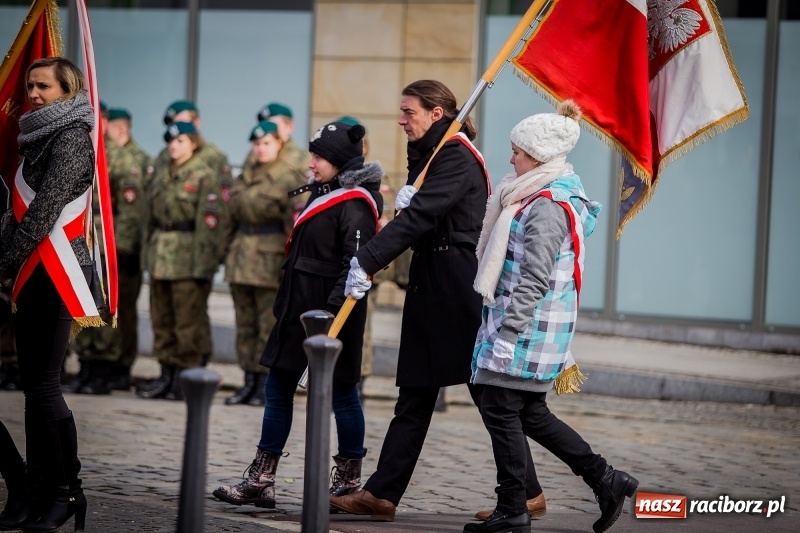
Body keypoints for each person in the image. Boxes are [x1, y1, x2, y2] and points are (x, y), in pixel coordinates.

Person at [466, 102, 638, 533]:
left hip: (527, 329)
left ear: (538, 157)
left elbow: (535, 276)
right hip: (532, 327)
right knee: (528, 413)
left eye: (517, 152)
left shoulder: (546, 205)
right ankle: (605, 479)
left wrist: (509, 333)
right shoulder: (536, 194)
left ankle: (513, 507)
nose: (511, 159)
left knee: (499, 408)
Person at [329, 79, 495, 521]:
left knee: (489, 396)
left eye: (409, 112)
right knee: (416, 394)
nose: (401, 120)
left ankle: (532, 488)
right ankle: (382, 494)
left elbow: (420, 217)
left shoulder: (455, 154)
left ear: (437, 113)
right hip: (432, 281)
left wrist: (367, 259)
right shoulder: (432, 152)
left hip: (454, 285)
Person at [213, 120, 383, 509]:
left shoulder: (355, 203)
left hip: (330, 317)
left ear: (339, 161)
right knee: (277, 389)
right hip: (296, 313)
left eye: (319, 157)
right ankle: (262, 479)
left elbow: (354, 265)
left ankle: (348, 481)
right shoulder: (323, 192)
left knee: (343, 395)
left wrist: (331, 315)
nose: (311, 163)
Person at [0, 56, 98, 532]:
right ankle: (41, 491)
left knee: (43, 387)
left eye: (44, 86)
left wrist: (4, 264)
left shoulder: (72, 137)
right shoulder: (36, 137)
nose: (34, 94)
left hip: (56, 270)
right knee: (33, 389)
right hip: (31, 271)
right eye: (30, 86)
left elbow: (43, 212)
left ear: (67, 90)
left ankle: (65, 493)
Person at [136, 121, 227, 400]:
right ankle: (166, 373)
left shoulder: (203, 175)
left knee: (187, 323)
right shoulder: (161, 172)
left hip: (188, 260)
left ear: (194, 144)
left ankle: (186, 377)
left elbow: (209, 226)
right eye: (171, 141)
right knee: (162, 320)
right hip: (161, 256)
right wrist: (146, 256)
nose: (173, 146)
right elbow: (149, 218)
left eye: (180, 141)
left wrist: (204, 267)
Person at [222, 121, 304, 406]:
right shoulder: (245, 174)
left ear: (279, 144)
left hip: (269, 263)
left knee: (267, 326)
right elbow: (230, 219)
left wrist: (290, 266)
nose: (260, 149)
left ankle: (264, 385)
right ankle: (248, 381)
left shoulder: (289, 178)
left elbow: (292, 228)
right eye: (256, 144)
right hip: (241, 259)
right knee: (244, 326)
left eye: (267, 143)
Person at [66, 123, 146, 395]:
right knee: (82, 305)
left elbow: (131, 211)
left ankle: (102, 368)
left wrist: (121, 249)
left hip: (106, 244)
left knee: (104, 307)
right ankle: (86, 364)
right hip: (80, 239)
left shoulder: (120, 159)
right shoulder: (79, 150)